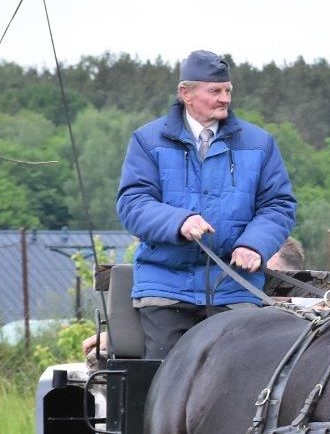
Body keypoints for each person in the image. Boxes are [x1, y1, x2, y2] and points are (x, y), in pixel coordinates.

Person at [116, 50, 296, 359]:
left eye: (228, 90)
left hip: (235, 288)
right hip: (166, 287)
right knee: (162, 382)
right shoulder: (147, 141)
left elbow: (278, 205)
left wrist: (253, 245)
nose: (224, 98)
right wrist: (179, 222)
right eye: (215, 91)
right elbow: (133, 203)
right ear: (186, 93)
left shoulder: (259, 143)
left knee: (241, 380)